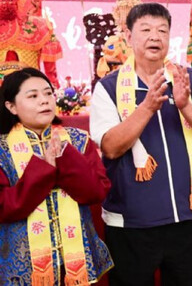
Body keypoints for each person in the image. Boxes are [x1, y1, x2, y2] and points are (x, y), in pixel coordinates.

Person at [89, 3, 192, 286]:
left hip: (186, 216)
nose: (155, 37)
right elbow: (110, 147)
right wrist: (147, 107)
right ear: (127, 36)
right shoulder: (108, 88)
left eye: (162, 30)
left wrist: (186, 106)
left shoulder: (190, 81)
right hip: (131, 222)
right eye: (146, 29)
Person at [0, 67, 112, 285]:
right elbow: (4, 206)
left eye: (48, 93)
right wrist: (42, 170)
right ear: (11, 106)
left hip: (75, 261)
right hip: (22, 264)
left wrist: (64, 157)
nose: (44, 101)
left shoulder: (78, 140)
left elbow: (96, 192)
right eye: (33, 96)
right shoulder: (2, 149)